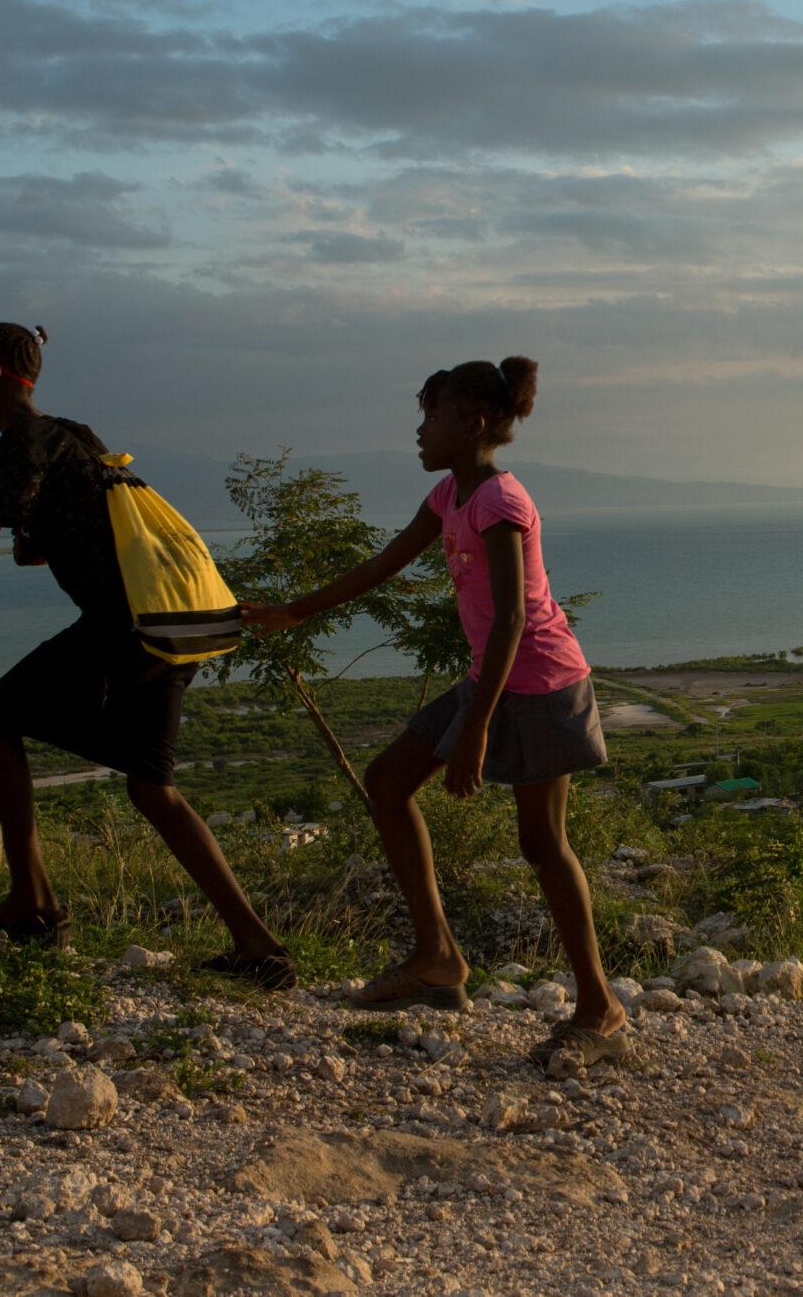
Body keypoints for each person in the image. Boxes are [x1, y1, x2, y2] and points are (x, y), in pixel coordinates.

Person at [0, 324, 295, 988]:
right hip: (171, 622)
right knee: (152, 787)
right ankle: (256, 943)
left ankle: (32, 902)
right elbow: (53, 536)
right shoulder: (75, 434)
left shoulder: (21, 443)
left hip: (124, 627)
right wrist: (35, 533)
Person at [240, 357, 626, 1072]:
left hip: (538, 682)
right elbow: (382, 563)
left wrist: (475, 730)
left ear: (471, 423)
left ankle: (599, 1005)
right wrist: (295, 610)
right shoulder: (450, 494)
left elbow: (512, 617)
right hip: (491, 677)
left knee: (542, 843)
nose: (419, 431)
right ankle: (437, 957)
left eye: (431, 416)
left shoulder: (499, 503)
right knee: (388, 781)